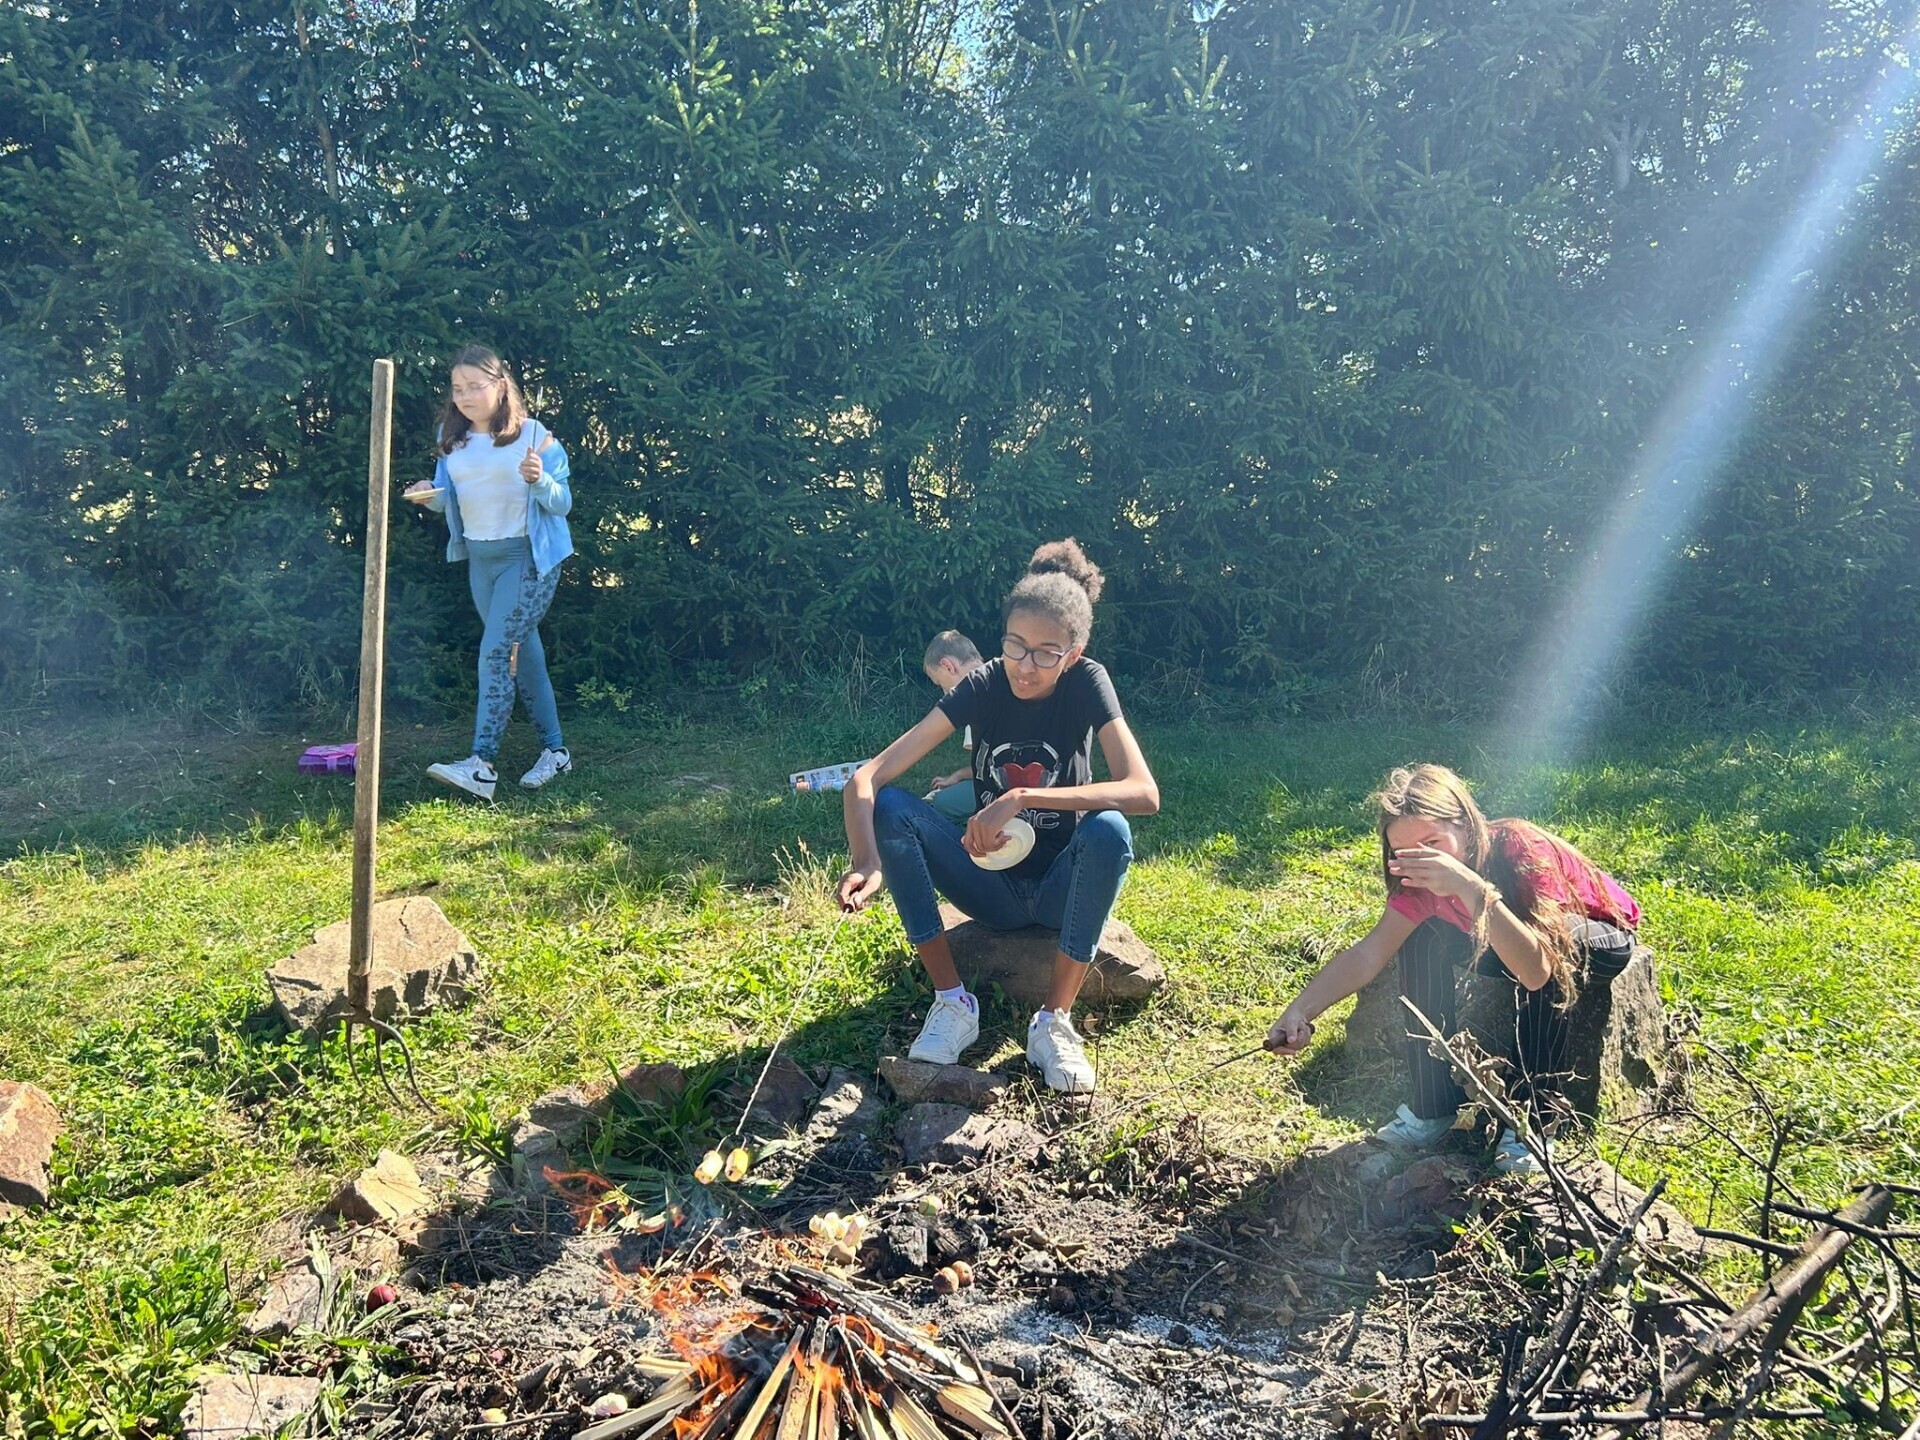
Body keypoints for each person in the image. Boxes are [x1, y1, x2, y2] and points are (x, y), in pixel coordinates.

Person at [838, 540, 1160, 1094]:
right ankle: (952, 1003)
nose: (1025, 666)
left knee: (1110, 829)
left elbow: (1142, 791)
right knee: (892, 809)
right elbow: (867, 778)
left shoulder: (1088, 682)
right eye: (1015, 645)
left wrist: (1022, 798)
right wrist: (867, 860)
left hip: (1060, 889)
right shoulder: (982, 684)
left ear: (1073, 653)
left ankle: (1053, 1021)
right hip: (988, 887)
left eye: (1046, 653)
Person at [1266, 763, 1641, 1176]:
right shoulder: (1419, 883)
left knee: (1548, 960)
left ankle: (1532, 1123)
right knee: (1420, 936)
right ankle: (1433, 1108)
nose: (1422, 859)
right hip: (1508, 937)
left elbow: (1537, 971)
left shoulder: (1518, 848)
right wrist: (1301, 1010)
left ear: (1466, 826)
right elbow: (1369, 954)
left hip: (1596, 933)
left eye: (1433, 842)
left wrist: (1471, 888)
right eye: (1405, 852)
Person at [404, 345, 574, 800]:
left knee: (496, 653)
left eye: (474, 386)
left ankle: (482, 766)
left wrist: (540, 480)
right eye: (457, 388)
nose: (464, 396)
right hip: (481, 562)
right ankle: (556, 752)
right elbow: (449, 495)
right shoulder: (451, 438)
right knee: (525, 654)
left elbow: (562, 503)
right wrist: (428, 493)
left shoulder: (535, 436)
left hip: (528, 560)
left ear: (500, 385)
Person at [922, 630, 983, 823]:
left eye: (941, 684)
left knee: (939, 803)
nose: (944, 692)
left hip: (1009, 791)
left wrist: (957, 777)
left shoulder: (973, 699)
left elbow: (989, 770)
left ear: (948, 666)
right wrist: (959, 775)